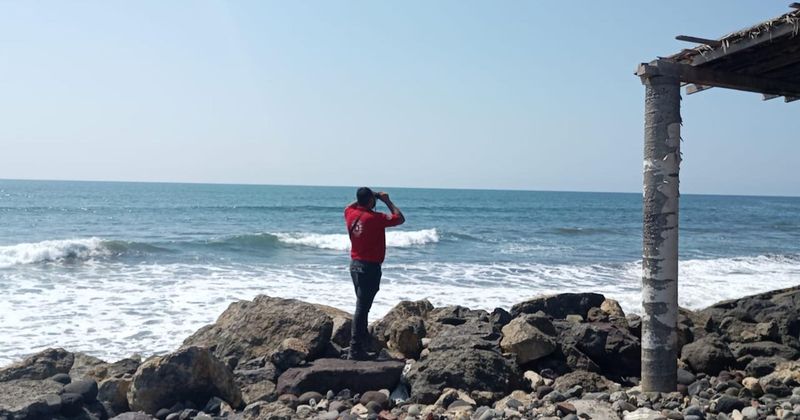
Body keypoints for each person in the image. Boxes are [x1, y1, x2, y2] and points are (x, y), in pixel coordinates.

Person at [344, 187, 405, 360]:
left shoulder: (350, 213)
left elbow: (349, 206)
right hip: (369, 267)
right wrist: (386, 200)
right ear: (371, 200)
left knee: (362, 306)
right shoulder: (375, 218)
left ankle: (360, 345)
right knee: (362, 309)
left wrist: (368, 198)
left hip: (355, 266)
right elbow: (400, 218)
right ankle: (355, 349)